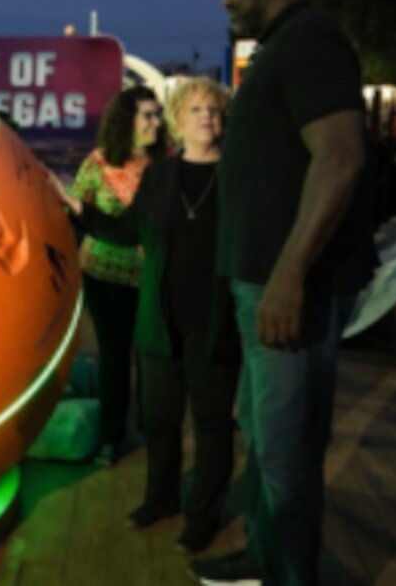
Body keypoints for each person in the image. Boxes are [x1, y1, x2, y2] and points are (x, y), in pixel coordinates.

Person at [193, 0, 375, 585]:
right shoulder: (285, 47)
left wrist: (290, 272)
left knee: (288, 451)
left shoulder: (308, 41)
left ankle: (288, 575)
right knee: (268, 440)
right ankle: (266, 557)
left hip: (284, 288)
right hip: (263, 284)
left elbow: (340, 157)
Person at [51, 77, 242, 555]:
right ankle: (161, 500)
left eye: (215, 111)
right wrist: (75, 206)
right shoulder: (159, 178)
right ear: (179, 119)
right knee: (159, 419)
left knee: (213, 426)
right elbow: (122, 229)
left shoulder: (239, 177)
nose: (207, 118)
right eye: (197, 110)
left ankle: (203, 517)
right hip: (160, 321)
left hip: (216, 323)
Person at [66, 86, 166, 468]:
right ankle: (111, 437)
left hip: (153, 279)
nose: (156, 123)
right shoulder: (98, 163)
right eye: (148, 115)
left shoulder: (167, 164)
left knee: (153, 360)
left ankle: (151, 432)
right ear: (127, 121)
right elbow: (77, 212)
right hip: (104, 278)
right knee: (114, 357)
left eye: (158, 115)